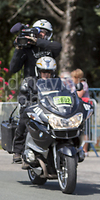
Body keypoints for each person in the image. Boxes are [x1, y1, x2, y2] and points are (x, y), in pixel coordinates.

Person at [10, 19, 61, 164]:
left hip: (50, 87)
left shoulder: (50, 47)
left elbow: (58, 46)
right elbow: (13, 68)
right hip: (30, 88)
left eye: (44, 32)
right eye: (38, 31)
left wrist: (36, 41)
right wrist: (19, 48)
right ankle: (18, 150)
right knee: (24, 118)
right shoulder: (26, 49)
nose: (41, 34)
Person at [12, 56, 57, 169]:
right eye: (44, 72)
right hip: (33, 108)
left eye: (49, 72)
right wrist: (24, 101)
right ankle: (18, 151)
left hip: (51, 109)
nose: (46, 74)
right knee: (23, 122)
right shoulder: (29, 81)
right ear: (38, 71)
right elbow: (22, 95)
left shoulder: (57, 82)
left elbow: (64, 92)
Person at [71, 69, 90, 156]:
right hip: (76, 109)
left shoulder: (83, 84)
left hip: (83, 108)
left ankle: (85, 150)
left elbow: (79, 95)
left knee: (84, 130)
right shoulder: (74, 85)